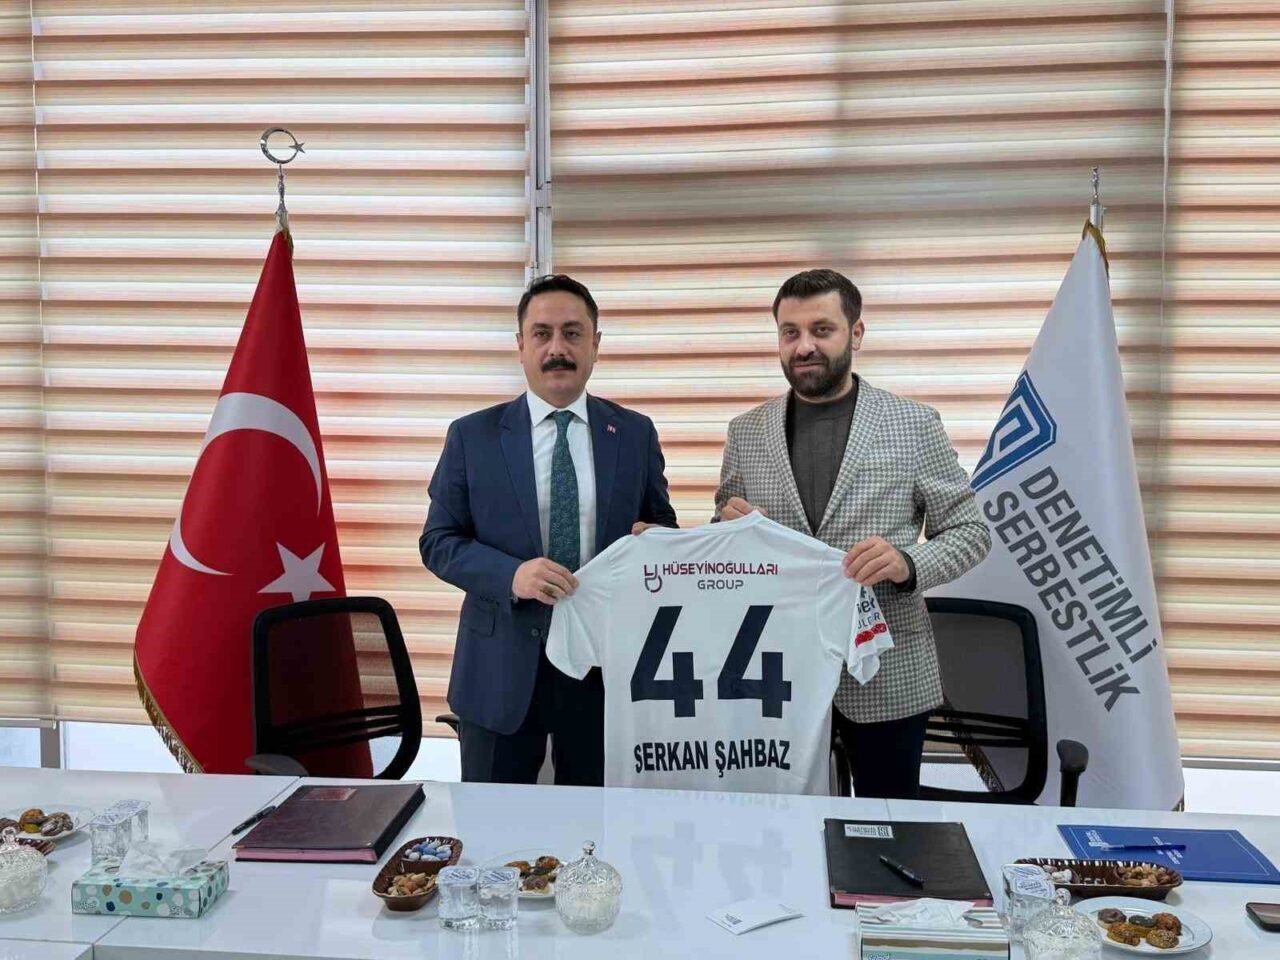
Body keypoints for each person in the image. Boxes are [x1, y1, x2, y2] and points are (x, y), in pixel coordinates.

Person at [715, 268, 991, 799]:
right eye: (790, 332)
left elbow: (971, 532)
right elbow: (725, 528)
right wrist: (729, 528)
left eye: (821, 329)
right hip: (776, 674)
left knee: (889, 826)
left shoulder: (914, 424)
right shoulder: (746, 431)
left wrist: (908, 563)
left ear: (856, 333)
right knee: (778, 823)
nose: (804, 346)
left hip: (888, 672)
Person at [421, 274, 678, 785]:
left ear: (595, 344)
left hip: (602, 670)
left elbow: (660, 528)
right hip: (499, 670)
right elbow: (439, 542)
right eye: (542, 334)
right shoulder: (472, 436)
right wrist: (511, 575)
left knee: (597, 822)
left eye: (572, 333)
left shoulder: (633, 433)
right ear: (521, 346)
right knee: (493, 823)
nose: (557, 348)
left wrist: (656, 544)